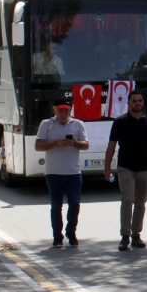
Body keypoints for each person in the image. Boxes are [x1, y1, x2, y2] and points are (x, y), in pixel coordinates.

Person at [104, 90, 147, 251]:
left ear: (143, 103)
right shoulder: (120, 122)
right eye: (134, 101)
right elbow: (111, 146)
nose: (138, 103)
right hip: (125, 167)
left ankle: (136, 235)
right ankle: (125, 236)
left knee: (140, 203)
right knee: (127, 200)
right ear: (128, 104)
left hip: (145, 169)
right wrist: (107, 167)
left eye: (140, 100)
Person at [35, 99, 89, 248]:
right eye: (60, 111)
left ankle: (71, 231)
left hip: (73, 172)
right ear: (54, 111)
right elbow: (38, 146)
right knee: (56, 205)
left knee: (75, 204)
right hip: (54, 172)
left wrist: (75, 143)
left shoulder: (77, 124)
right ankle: (57, 236)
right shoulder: (46, 124)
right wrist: (54, 144)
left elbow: (86, 144)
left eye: (66, 111)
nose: (63, 114)